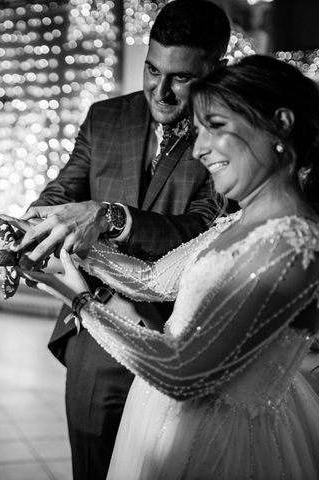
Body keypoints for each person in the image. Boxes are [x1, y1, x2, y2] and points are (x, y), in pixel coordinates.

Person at [20, 54, 319, 479]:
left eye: (215, 128)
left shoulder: (294, 244)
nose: (199, 149)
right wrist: (63, 244)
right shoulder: (236, 220)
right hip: (165, 417)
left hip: (223, 442)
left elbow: (182, 375)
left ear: (282, 125)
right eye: (198, 132)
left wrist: (82, 302)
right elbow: (151, 279)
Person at [10, 1, 231, 477]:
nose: (162, 90)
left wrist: (111, 217)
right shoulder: (105, 118)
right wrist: (37, 218)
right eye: (152, 69)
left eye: (181, 77)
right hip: (99, 330)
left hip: (183, 339)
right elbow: (64, 188)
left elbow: (202, 227)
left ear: (218, 69)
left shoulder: (227, 136)